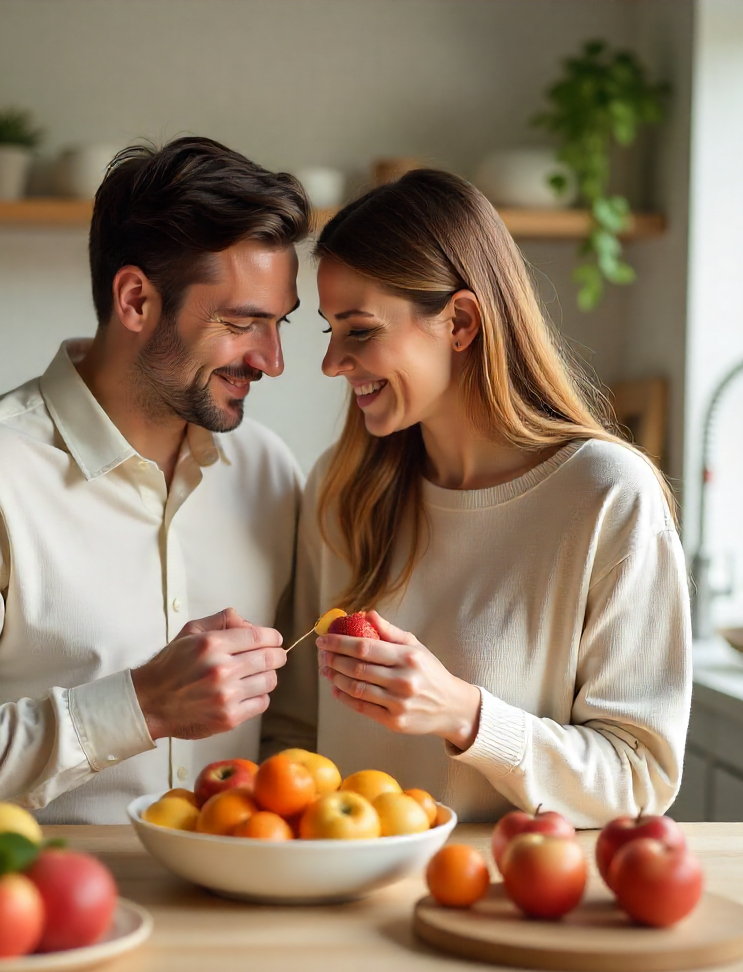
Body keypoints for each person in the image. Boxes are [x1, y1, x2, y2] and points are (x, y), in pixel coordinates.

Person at [0, 138, 310, 830]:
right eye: (242, 324)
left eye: (280, 324)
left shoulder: (271, 474)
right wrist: (137, 706)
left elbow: (289, 739)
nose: (272, 360)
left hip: (231, 914)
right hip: (33, 918)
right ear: (136, 300)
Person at [268, 170, 690, 827]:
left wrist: (467, 716)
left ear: (460, 321)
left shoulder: (606, 498)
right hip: (337, 905)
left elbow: (640, 776)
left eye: (359, 330)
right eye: (329, 331)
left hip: (505, 905)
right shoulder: (341, 489)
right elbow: (293, 731)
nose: (331, 364)